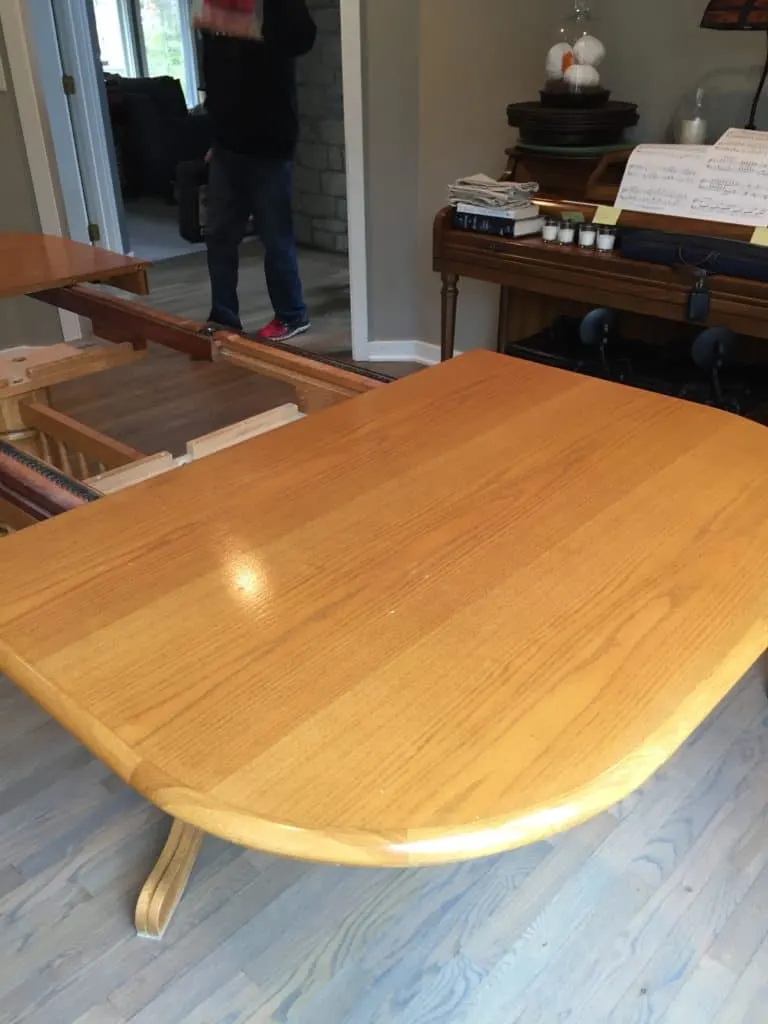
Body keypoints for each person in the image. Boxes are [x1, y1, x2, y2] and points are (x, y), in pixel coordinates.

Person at [200, 0, 316, 341]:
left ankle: (292, 314)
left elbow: (302, 39)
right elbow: (215, 76)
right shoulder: (214, 10)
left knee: (274, 235)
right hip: (226, 145)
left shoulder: (279, 10)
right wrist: (215, 136)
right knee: (219, 235)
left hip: (270, 144)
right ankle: (223, 316)